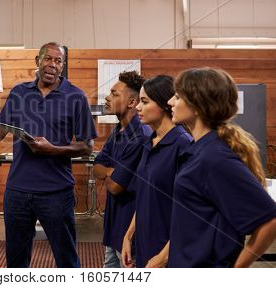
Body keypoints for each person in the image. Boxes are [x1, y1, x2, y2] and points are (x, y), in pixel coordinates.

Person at [0, 42, 97, 268]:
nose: (52, 65)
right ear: (37, 61)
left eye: (58, 61)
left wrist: (53, 150)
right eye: (48, 59)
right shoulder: (19, 93)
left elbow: (87, 146)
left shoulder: (76, 96)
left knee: (66, 260)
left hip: (57, 193)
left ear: (63, 65)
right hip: (17, 193)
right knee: (16, 262)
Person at [167, 67, 276, 267]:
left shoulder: (214, 157)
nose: (170, 102)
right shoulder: (198, 150)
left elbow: (269, 221)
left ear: (197, 105)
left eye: (177, 97)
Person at [121, 75, 193, 268]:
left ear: (164, 105)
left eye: (144, 102)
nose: (137, 107)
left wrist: (163, 258)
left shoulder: (182, 144)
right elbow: (145, 197)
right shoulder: (149, 142)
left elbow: (190, 213)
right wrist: (128, 236)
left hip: (169, 249)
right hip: (145, 243)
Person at [93, 71, 150, 268]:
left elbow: (116, 186)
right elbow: (97, 167)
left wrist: (109, 174)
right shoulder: (117, 131)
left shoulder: (140, 137)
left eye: (114, 94)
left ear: (132, 102)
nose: (108, 98)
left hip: (130, 231)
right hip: (113, 227)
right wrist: (110, 172)